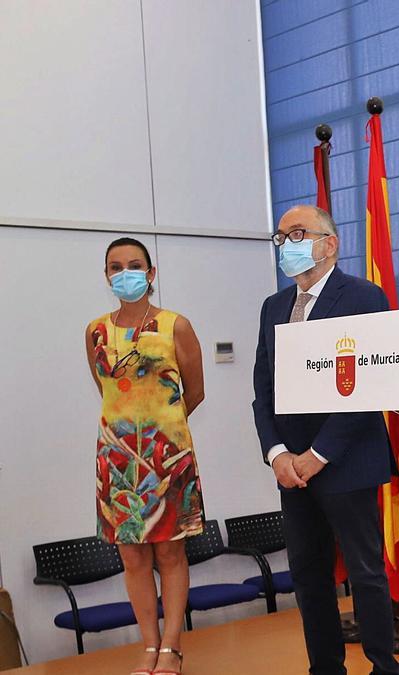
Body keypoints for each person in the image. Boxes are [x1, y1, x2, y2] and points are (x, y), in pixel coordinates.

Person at [251, 205, 399, 675]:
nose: (287, 245)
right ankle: (326, 669)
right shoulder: (274, 306)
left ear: (330, 244)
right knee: (309, 577)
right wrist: (277, 454)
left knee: (365, 574)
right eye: (281, 238)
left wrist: (319, 454)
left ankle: (383, 667)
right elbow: (263, 391)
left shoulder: (362, 296)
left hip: (346, 462)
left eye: (297, 234)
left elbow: (368, 386)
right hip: (292, 470)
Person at [87, 237, 205, 675]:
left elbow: (195, 391)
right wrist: (129, 437)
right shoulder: (95, 331)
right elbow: (108, 390)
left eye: (135, 265)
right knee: (133, 557)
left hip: (167, 457)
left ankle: (172, 647)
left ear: (151, 274)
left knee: (170, 555)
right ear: (106, 276)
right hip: (116, 460)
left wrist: (161, 431)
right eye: (115, 267)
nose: (125, 273)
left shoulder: (177, 325)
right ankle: (149, 646)